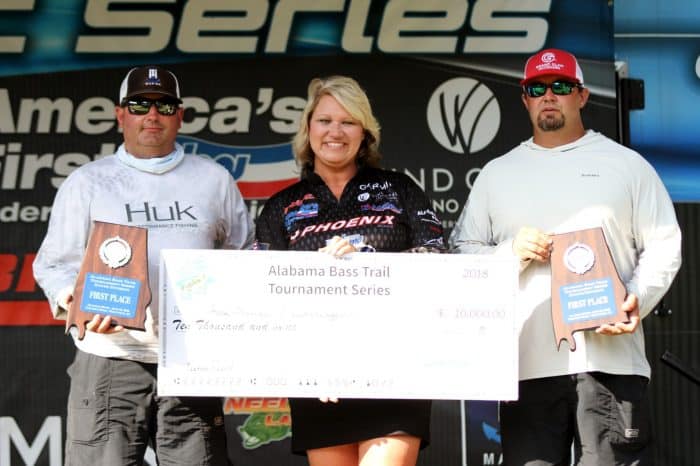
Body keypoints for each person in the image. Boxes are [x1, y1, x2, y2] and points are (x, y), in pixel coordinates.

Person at [449, 48, 682, 465]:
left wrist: (637, 298)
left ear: (582, 95)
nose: (549, 96)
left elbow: (665, 241)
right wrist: (510, 252)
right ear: (525, 98)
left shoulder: (627, 165)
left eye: (561, 86)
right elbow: (462, 254)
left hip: (610, 360)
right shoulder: (497, 173)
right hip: (526, 366)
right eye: (537, 88)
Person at [33, 65, 254, 465]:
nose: (152, 114)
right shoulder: (88, 182)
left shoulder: (214, 179)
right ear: (120, 115)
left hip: (191, 360)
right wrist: (79, 303)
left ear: (179, 115)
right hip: (109, 356)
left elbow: (244, 255)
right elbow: (54, 265)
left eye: (164, 105)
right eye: (139, 105)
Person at [255, 75, 445, 466]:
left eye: (348, 122)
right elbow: (263, 294)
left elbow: (437, 256)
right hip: (319, 372)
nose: (335, 132)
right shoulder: (281, 206)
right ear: (308, 129)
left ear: (365, 133)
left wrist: (367, 264)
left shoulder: (399, 189)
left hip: (395, 364)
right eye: (325, 121)